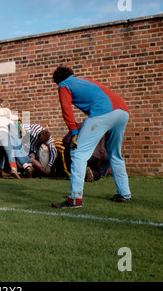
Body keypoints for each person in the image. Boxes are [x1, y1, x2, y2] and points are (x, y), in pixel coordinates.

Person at [51, 66, 131, 209]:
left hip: (103, 112)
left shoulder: (64, 85)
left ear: (57, 81)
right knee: (115, 154)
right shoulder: (84, 81)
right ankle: (124, 194)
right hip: (123, 111)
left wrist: (74, 131)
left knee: (78, 153)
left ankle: (74, 200)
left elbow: (66, 109)